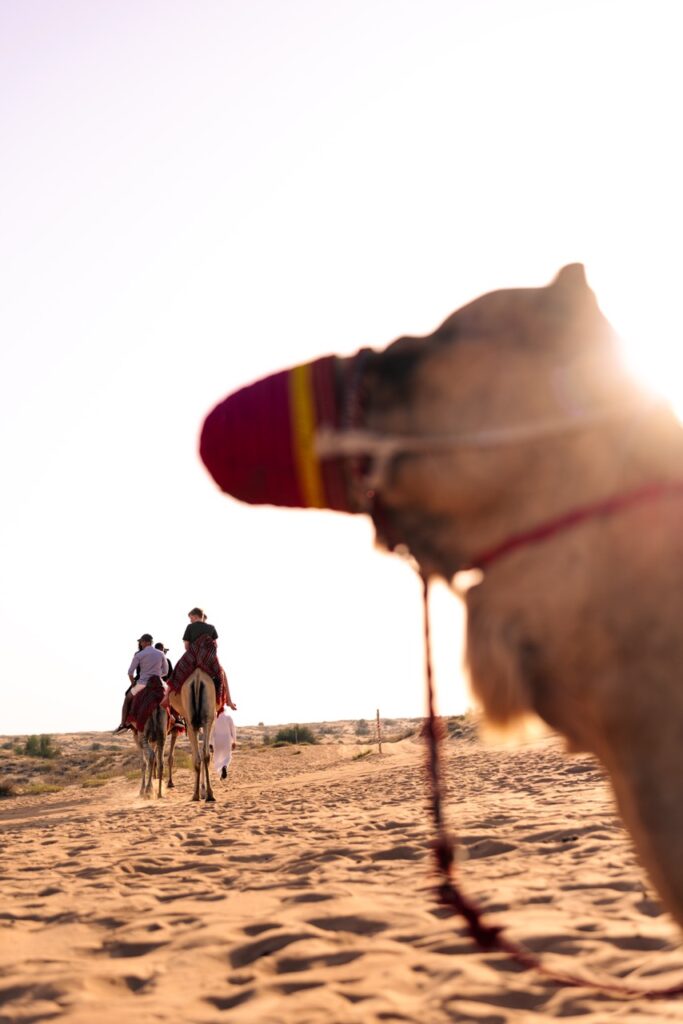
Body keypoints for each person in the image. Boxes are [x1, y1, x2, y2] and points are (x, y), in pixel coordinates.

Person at [176, 607, 236, 710]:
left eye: (191, 618)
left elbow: (186, 646)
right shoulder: (212, 628)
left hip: (193, 658)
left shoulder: (190, 627)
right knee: (222, 674)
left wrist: (193, 654)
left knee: (176, 673)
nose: (190, 620)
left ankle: (167, 699)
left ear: (195, 616)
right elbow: (215, 645)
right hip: (208, 659)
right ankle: (229, 701)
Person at [114, 633, 168, 732]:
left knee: (127, 699)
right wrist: (158, 676)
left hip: (143, 683)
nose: (141, 643)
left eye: (141, 642)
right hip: (159, 682)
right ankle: (175, 718)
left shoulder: (140, 654)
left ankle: (123, 724)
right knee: (170, 697)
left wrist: (133, 683)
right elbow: (166, 671)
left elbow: (130, 672)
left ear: (146, 642)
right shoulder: (161, 654)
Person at [213, 706, 236, 780]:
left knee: (217, 758)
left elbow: (211, 731)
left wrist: (210, 743)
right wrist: (234, 741)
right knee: (227, 756)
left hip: (217, 740)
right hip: (227, 740)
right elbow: (233, 730)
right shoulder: (228, 717)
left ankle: (221, 774)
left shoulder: (214, 718)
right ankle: (224, 766)